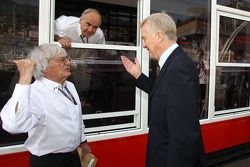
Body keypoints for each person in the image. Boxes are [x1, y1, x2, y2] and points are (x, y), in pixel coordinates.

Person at [120, 12, 207, 167]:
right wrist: (139, 76)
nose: (144, 45)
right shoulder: (174, 62)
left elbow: (183, 135)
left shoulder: (178, 67)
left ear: (159, 36)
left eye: (145, 38)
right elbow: (165, 96)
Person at [0, 43, 90, 167]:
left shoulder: (69, 86)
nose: (68, 63)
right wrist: (25, 78)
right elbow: (14, 126)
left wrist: (83, 142)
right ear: (43, 66)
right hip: (48, 162)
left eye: (68, 58)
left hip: (73, 157)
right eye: (61, 60)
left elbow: (77, 118)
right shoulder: (33, 93)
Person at [196, 48, 209, 116]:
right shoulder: (195, 62)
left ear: (202, 55)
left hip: (203, 83)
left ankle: (202, 112)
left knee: (202, 99)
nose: (199, 56)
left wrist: (203, 66)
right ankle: (198, 111)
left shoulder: (205, 62)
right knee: (197, 99)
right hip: (196, 83)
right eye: (198, 54)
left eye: (200, 54)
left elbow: (207, 73)